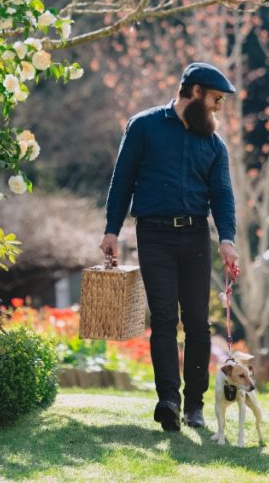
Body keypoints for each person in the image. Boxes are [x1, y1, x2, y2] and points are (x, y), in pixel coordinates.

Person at [100, 62, 240, 433]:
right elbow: (122, 181)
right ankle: (169, 402)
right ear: (194, 92)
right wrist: (111, 230)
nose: (218, 107)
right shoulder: (143, 126)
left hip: (195, 237)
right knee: (163, 318)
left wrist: (227, 239)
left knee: (196, 322)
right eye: (215, 99)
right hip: (154, 236)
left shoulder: (213, 143)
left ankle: (194, 405)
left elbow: (222, 195)